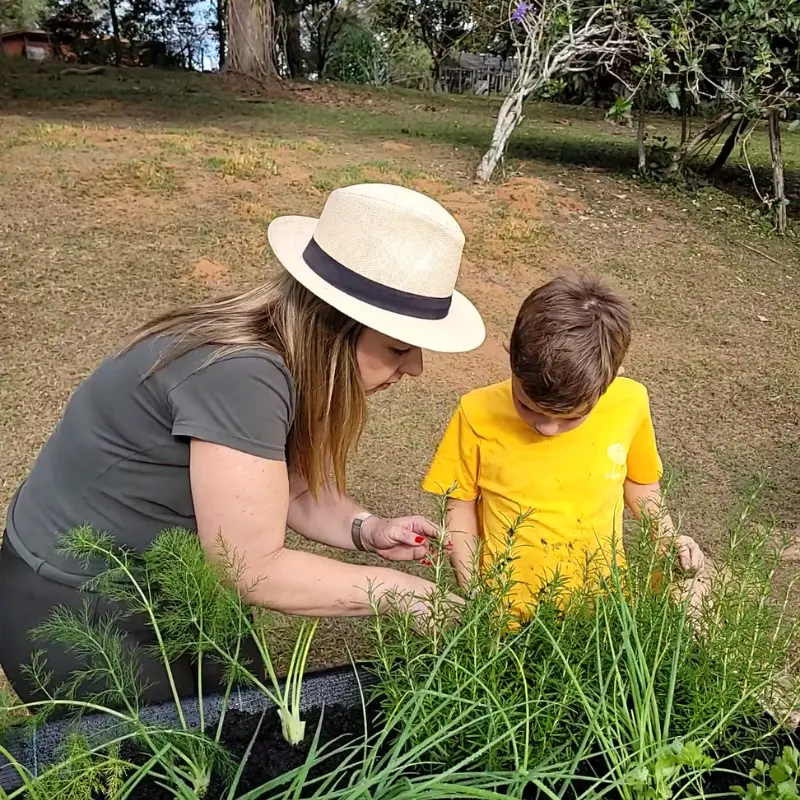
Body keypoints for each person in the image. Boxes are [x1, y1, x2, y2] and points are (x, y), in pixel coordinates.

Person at [0, 182, 486, 706]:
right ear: (336, 324)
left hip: (183, 579)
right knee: (162, 770)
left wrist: (369, 530)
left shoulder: (296, 359)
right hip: (78, 597)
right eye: (398, 347)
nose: (413, 368)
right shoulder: (243, 373)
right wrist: (399, 593)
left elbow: (288, 493)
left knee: (243, 728)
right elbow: (250, 567)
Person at [422, 272, 704, 614]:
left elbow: (640, 484)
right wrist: (474, 590)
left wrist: (666, 538)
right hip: (504, 606)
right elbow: (460, 505)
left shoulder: (630, 402)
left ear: (612, 378)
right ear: (511, 357)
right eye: (527, 407)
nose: (547, 429)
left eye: (571, 417)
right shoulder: (476, 411)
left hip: (599, 605)